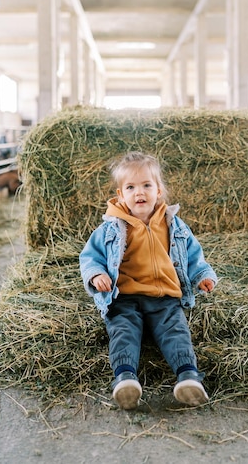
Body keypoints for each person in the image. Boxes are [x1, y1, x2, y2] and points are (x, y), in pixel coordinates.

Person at [79, 151, 218, 410]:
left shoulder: (174, 225)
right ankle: (125, 379)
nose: (139, 192)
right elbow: (90, 256)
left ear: (159, 190)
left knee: (175, 330)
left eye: (146, 185)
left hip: (164, 295)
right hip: (125, 297)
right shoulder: (111, 228)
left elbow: (192, 255)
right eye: (130, 187)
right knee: (123, 330)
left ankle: (188, 377)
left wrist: (201, 277)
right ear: (121, 195)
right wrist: (96, 274)